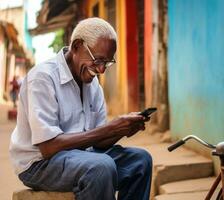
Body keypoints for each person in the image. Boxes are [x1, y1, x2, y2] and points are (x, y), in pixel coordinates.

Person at [9, 18, 152, 200]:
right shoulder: (42, 78)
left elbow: (98, 143)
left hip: (82, 156)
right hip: (40, 164)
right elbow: (48, 147)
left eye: (107, 63)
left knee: (140, 161)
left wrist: (122, 129)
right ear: (77, 46)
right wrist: (110, 129)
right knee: (101, 167)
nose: (101, 70)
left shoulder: (93, 86)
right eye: (98, 60)